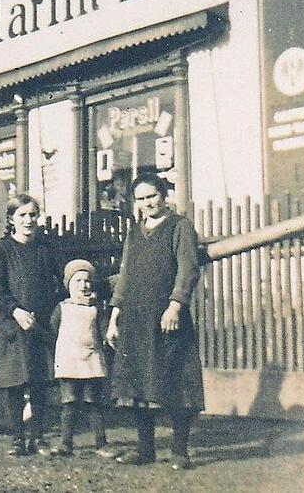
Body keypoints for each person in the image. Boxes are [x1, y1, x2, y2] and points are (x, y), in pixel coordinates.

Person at [105, 173, 203, 470]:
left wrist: (175, 306)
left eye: (152, 196)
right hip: (135, 318)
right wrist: (114, 316)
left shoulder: (180, 227)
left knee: (176, 382)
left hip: (166, 318)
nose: (148, 203)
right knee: (138, 383)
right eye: (141, 198)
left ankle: (180, 451)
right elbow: (125, 275)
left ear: (164, 196)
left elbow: (187, 269)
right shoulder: (135, 232)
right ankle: (145, 448)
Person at [0, 193, 62, 456]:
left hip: (41, 324)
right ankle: (17, 438)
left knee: (39, 382)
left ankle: (38, 437)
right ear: (11, 219)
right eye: (22, 215)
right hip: (14, 326)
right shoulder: (3, 251)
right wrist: (16, 311)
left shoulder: (45, 249)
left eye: (32, 215)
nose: (28, 220)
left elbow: (59, 282)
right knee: (15, 383)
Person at [48, 259, 115, 458]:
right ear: (68, 285)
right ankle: (66, 443)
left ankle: (101, 443)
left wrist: (109, 337)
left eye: (87, 281)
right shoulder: (62, 308)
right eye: (77, 281)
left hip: (91, 360)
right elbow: (52, 331)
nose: (83, 285)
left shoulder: (95, 309)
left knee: (94, 403)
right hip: (69, 362)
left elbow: (104, 330)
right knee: (69, 402)